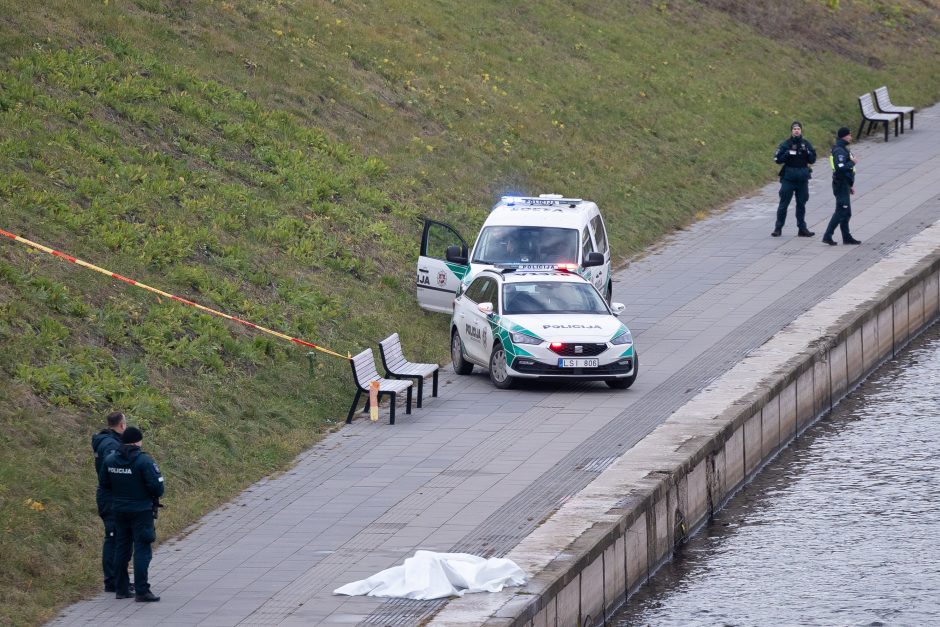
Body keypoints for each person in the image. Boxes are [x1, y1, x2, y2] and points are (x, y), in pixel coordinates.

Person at [99, 426, 164, 602]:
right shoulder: (143, 461)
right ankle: (142, 590)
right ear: (137, 441)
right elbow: (157, 488)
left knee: (121, 548)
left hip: (119, 510)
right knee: (142, 548)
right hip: (141, 511)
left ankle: (121, 588)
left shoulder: (110, 460)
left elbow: (104, 484)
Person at [91, 411, 128, 593]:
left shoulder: (104, 441)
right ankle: (112, 580)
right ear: (121, 425)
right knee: (113, 538)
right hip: (111, 497)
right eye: (125, 424)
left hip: (109, 495)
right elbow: (112, 472)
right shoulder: (111, 445)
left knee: (116, 537)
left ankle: (117, 578)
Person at [772, 121, 817, 237]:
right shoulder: (786, 144)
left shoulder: (806, 144)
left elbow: (812, 160)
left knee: (801, 204)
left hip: (802, 178)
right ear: (791, 131)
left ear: (801, 131)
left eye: (798, 129)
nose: (796, 131)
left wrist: (807, 152)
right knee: (783, 204)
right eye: (794, 129)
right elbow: (777, 159)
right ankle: (778, 228)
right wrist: (787, 154)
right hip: (789, 178)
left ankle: (802, 228)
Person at [822, 127, 861, 245]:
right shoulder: (839, 150)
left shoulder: (844, 148)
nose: (851, 137)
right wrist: (852, 162)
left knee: (847, 212)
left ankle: (846, 237)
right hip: (840, 184)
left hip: (845, 184)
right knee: (841, 211)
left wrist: (850, 185)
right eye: (849, 135)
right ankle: (827, 236)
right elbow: (840, 168)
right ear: (844, 136)